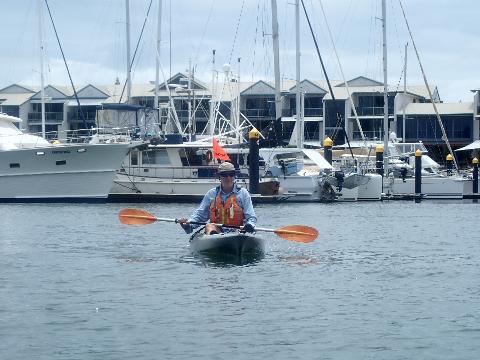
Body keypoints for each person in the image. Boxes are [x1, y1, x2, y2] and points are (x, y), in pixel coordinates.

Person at [178, 161, 257, 235]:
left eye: (231, 174)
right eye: (225, 175)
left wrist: (250, 225)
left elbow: (251, 216)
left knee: (242, 230)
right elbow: (200, 215)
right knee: (209, 226)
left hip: (238, 231)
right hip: (217, 231)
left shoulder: (243, 193)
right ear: (219, 176)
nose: (228, 177)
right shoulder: (211, 194)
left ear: (234, 175)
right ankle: (213, 238)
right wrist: (188, 224)